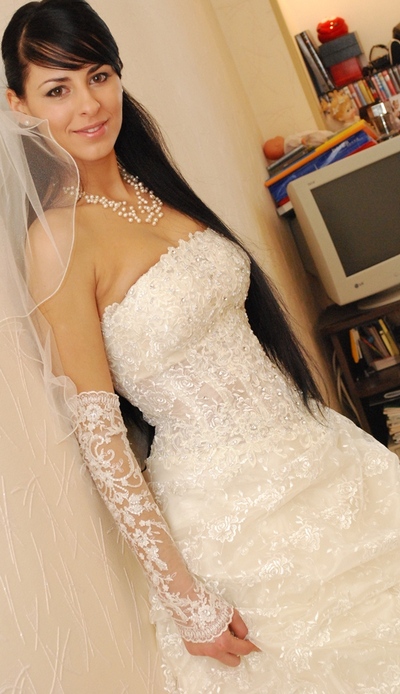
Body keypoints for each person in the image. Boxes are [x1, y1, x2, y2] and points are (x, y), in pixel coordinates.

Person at [1, 1, 400, 691]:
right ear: (20, 105)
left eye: (98, 76)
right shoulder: (57, 241)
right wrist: (185, 597)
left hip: (320, 456)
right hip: (229, 510)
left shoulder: (158, 188)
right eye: (57, 89)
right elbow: (100, 433)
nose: (89, 105)